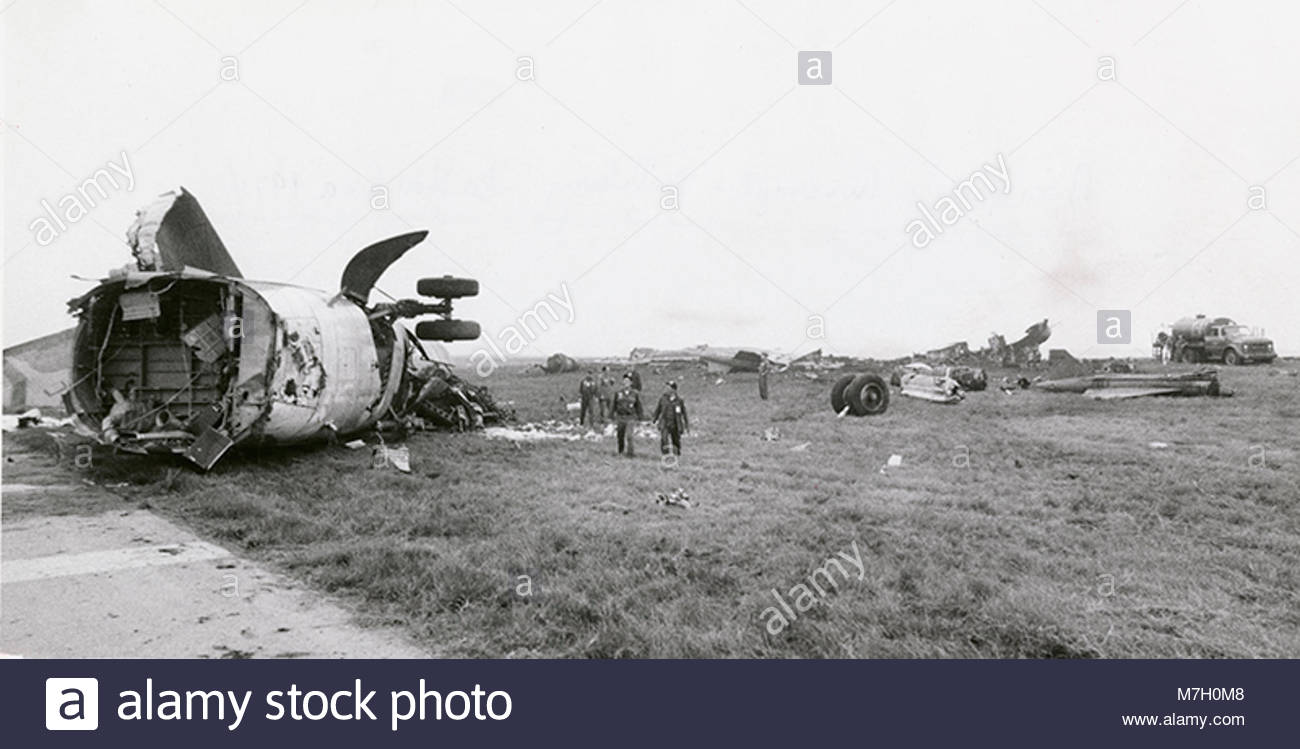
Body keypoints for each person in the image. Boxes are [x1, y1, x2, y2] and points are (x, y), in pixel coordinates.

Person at [610, 374, 644, 456]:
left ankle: (630, 453)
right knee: (620, 436)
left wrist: (640, 417)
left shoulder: (635, 393)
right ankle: (620, 451)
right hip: (620, 416)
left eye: (628, 382)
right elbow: (613, 404)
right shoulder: (618, 393)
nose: (626, 383)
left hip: (630, 417)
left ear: (631, 383)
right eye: (624, 381)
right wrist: (611, 415)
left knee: (629, 436)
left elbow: (638, 406)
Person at [652, 380, 689, 456]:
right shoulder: (663, 399)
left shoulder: (679, 401)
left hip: (675, 423)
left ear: (674, 390)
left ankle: (677, 454)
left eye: (669, 388)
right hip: (665, 422)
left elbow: (684, 413)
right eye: (666, 388)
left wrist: (686, 425)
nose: (666, 390)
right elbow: (658, 409)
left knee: (675, 440)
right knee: (664, 439)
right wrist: (654, 419)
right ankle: (665, 455)